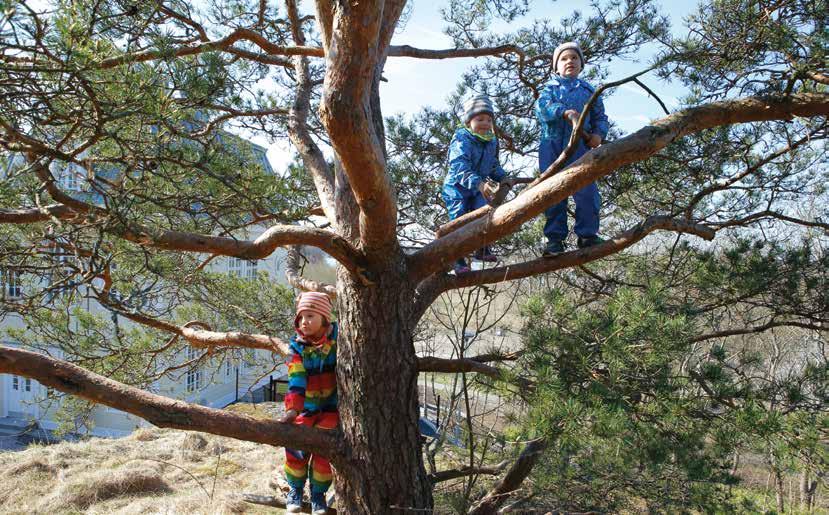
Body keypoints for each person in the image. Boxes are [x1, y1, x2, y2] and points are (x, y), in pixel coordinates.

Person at [536, 41, 609, 257]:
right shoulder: (549, 89)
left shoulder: (589, 90)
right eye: (564, 59)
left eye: (574, 58)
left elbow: (600, 117)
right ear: (556, 66)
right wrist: (565, 113)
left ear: (581, 64)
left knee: (587, 191)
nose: (570, 62)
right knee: (553, 192)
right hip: (552, 144)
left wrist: (598, 134)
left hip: (581, 147)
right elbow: (542, 110)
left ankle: (587, 235)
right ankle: (554, 240)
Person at [281, 292, 338, 514]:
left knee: (325, 450)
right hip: (304, 408)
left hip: (331, 408)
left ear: (325, 318)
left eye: (310, 316)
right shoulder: (297, 347)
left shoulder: (337, 341)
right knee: (296, 446)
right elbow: (296, 379)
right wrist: (293, 410)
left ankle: (318, 494)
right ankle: (295, 489)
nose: (304, 321)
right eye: (301, 317)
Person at [442, 94, 508, 273]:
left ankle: (483, 247)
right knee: (459, 219)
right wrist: (478, 183)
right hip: (457, 187)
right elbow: (458, 166)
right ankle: (457, 258)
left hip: (478, 187)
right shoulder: (462, 139)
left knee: (484, 213)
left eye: (488, 119)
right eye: (480, 119)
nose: (485, 123)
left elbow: (493, 164)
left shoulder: (491, 141)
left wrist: (503, 177)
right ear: (469, 121)